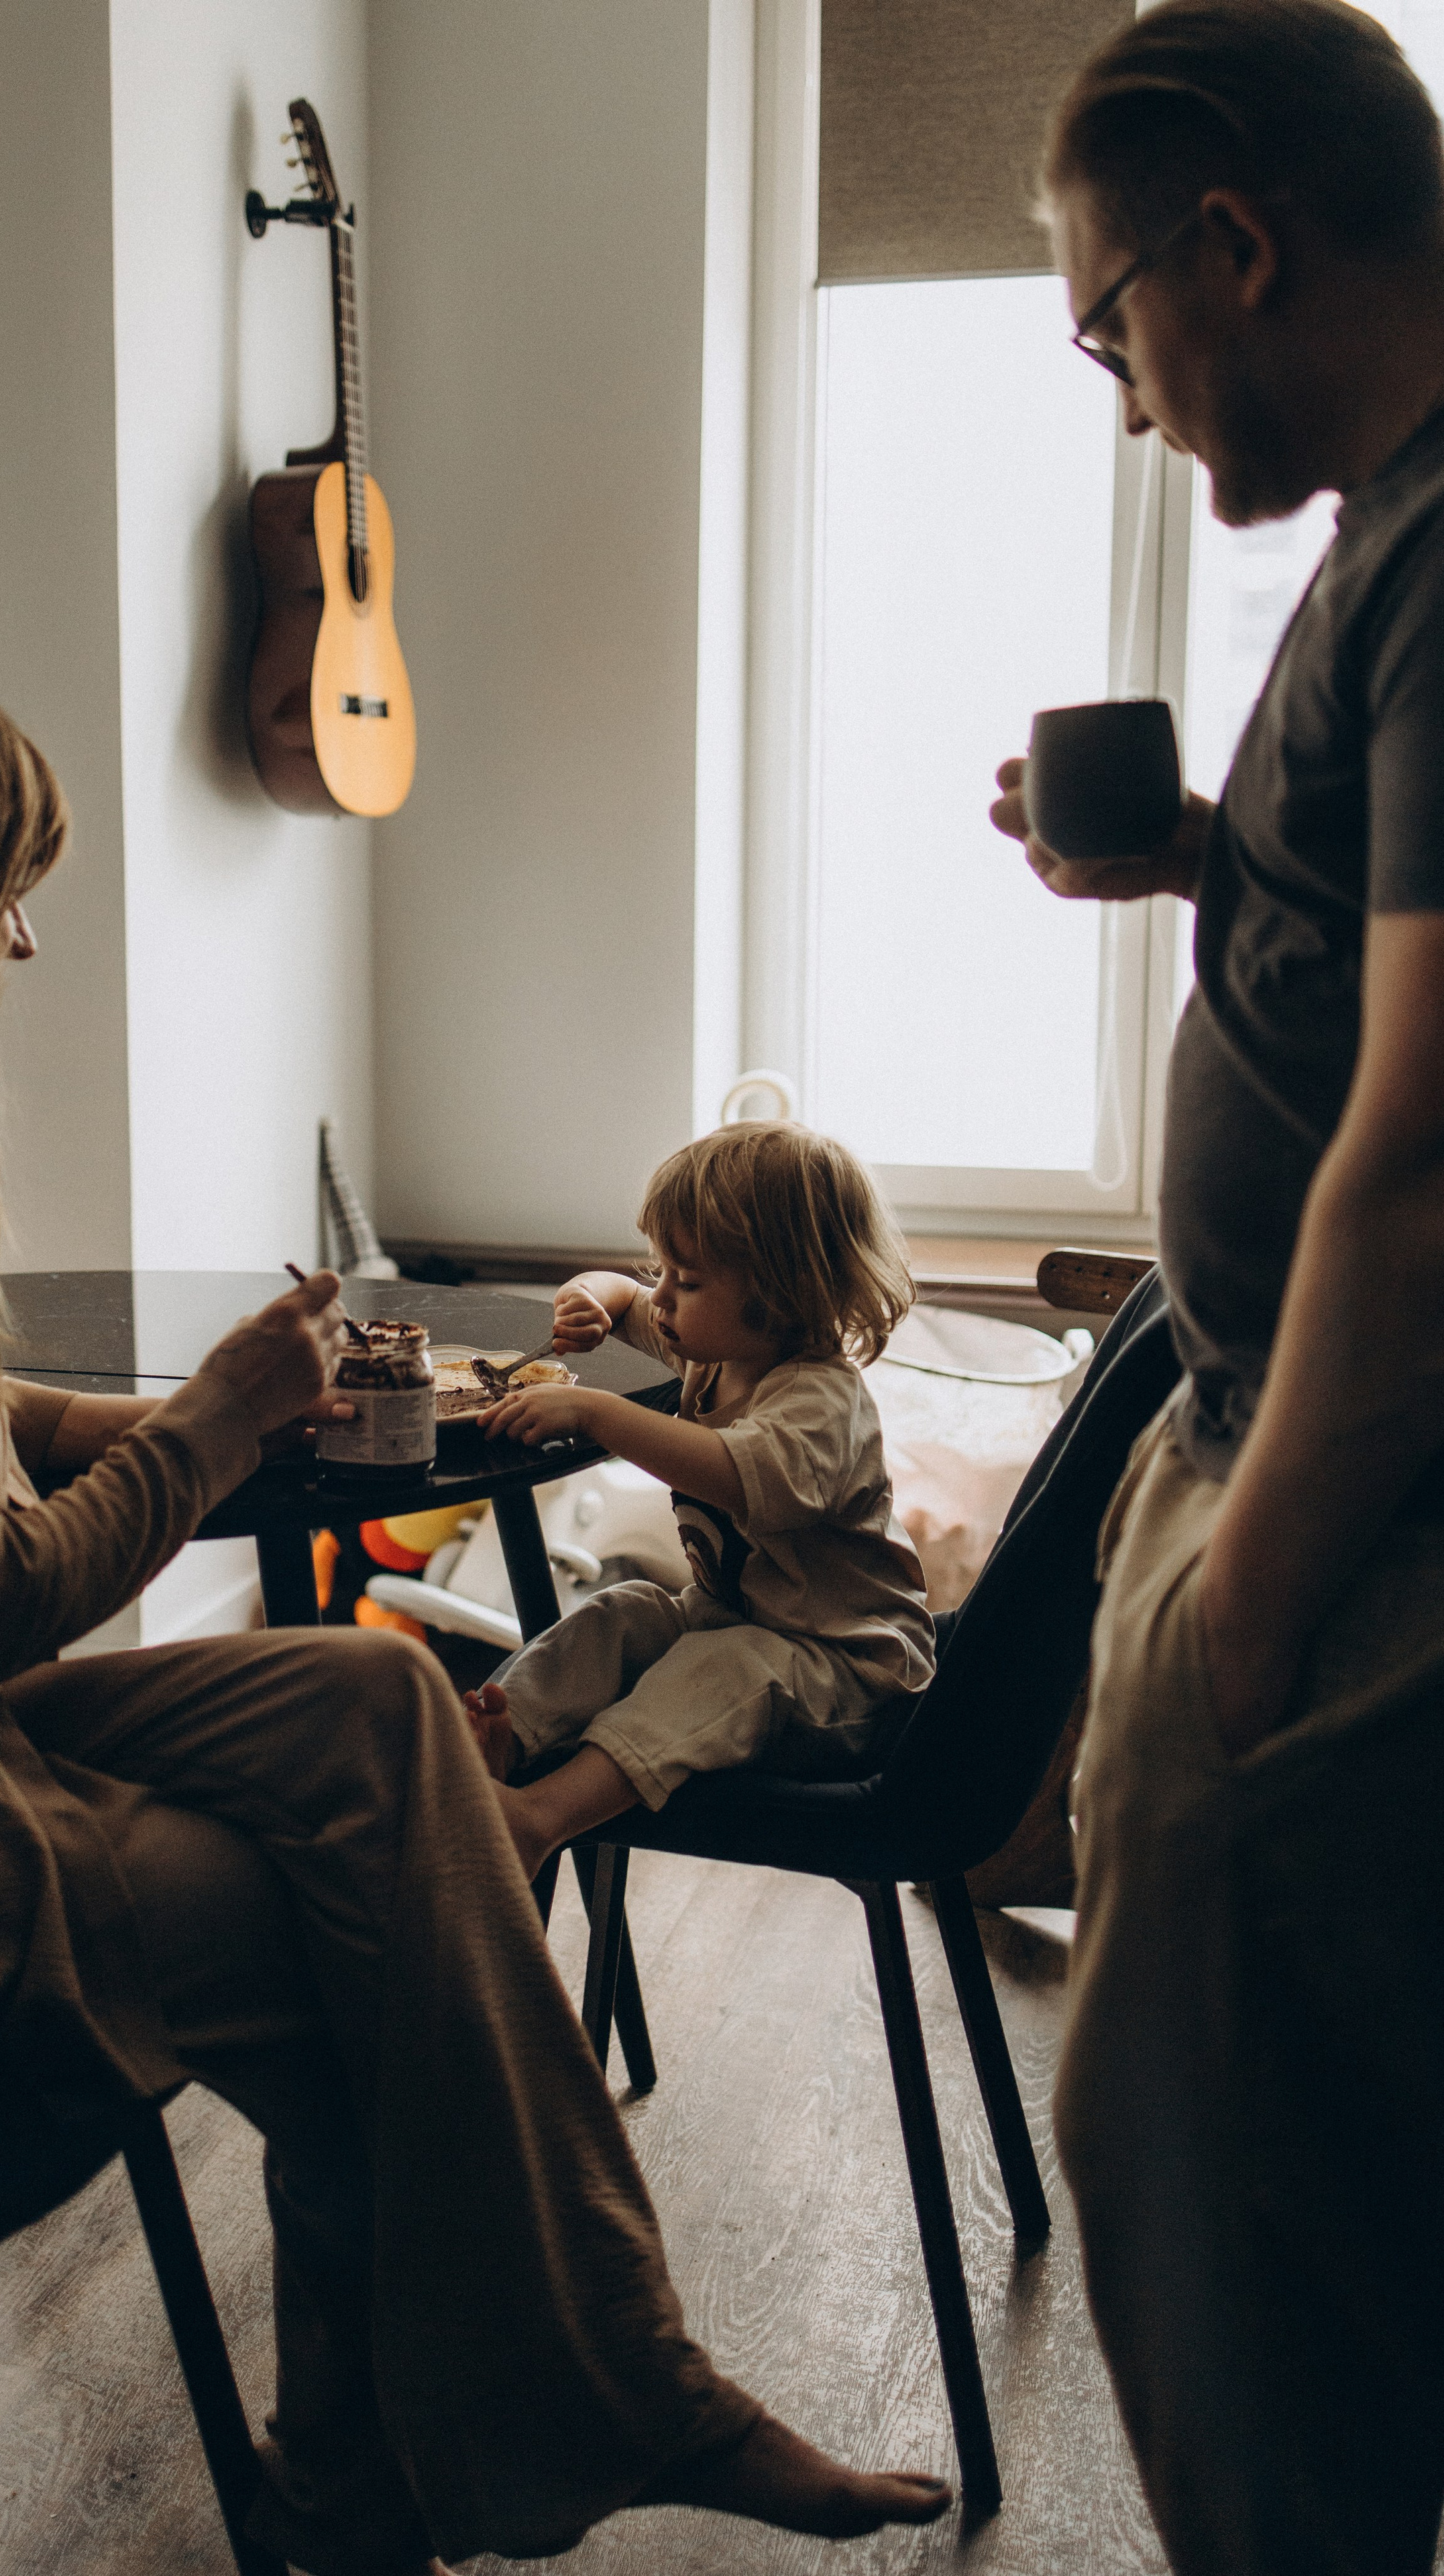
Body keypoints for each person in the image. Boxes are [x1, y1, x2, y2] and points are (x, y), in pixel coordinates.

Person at [0, 648, 954, 2575]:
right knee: (366, 1923)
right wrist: (210, 1437)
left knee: (379, 1711)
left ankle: (418, 2459)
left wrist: (164, 1418)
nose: (23, 948)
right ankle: (477, 2449)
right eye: (0, 892)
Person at [990, 6, 1444, 2569]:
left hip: (1339, 1522)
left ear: (1230, 245)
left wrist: (1244, 1599)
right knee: (1241, 2180)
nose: (1120, 392)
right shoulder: (1384, 541)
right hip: (1293, 1475)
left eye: (1099, 326)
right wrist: (1195, 865)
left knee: (1232, 2216)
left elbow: (1423, 1152)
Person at [465, 1124, 934, 1877]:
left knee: (729, 1667)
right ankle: (492, 1746)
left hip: (849, 1676)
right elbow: (624, 1300)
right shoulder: (717, 1345)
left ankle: (539, 1817)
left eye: (687, 1280)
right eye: (664, 1270)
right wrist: (589, 1295)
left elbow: (737, 1474)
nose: (663, 1299)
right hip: (734, 1624)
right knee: (624, 1612)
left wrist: (598, 1414)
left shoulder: (821, 1399)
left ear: (778, 1294)